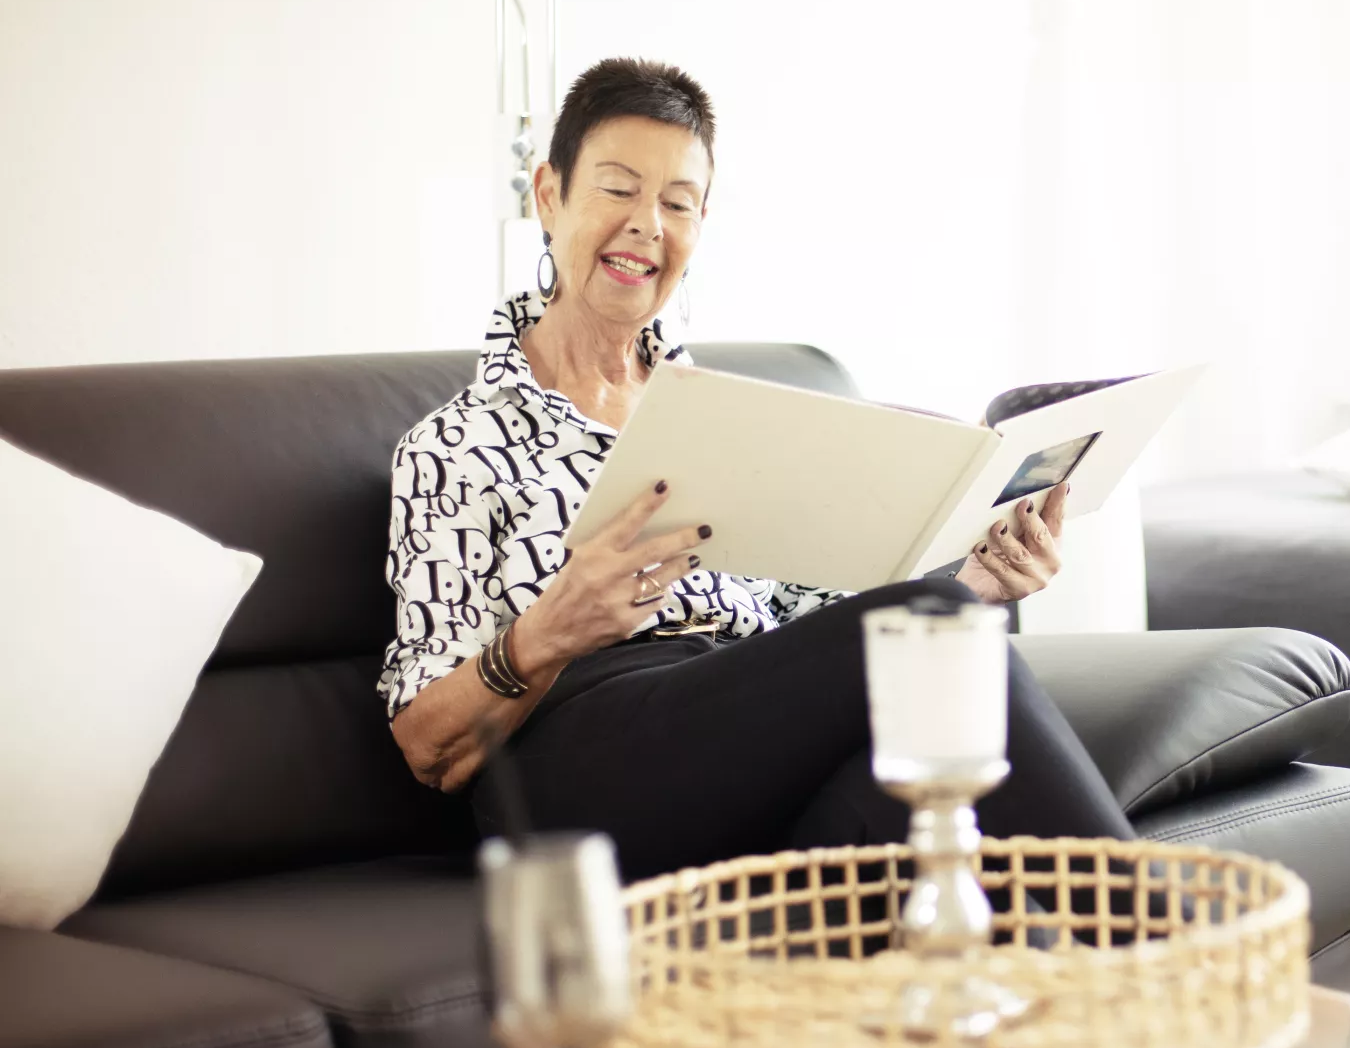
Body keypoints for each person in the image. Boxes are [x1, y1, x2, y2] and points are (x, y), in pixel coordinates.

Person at [380, 56, 1134, 879]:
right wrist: (546, 634)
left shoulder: (721, 415)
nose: (646, 225)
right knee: (926, 625)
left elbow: (809, 629)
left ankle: (1106, 990)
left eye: (677, 203)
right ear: (550, 197)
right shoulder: (454, 443)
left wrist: (979, 580)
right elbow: (427, 750)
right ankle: (1183, 957)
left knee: (923, 793)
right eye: (619, 189)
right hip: (574, 763)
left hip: (739, 726)